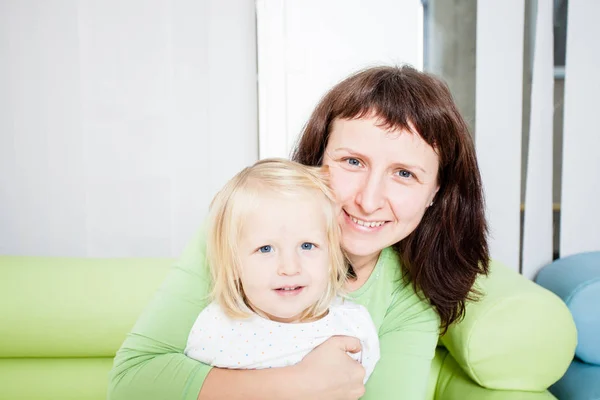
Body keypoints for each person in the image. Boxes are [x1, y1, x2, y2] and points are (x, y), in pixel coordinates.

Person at [108, 65, 489, 400]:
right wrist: (296, 384)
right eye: (352, 162)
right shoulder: (242, 230)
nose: (369, 200)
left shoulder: (407, 296)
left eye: (404, 174)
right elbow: (131, 384)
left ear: (435, 192)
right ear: (317, 162)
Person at [183, 158, 379, 381]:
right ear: (234, 264)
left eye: (307, 246)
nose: (290, 268)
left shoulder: (353, 326)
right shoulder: (216, 328)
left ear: (331, 257)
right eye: (265, 249)